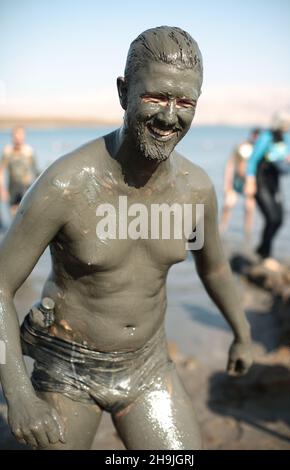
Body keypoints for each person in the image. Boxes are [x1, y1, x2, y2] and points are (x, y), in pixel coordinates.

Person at [0, 26, 252, 450]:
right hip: (67, 366)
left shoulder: (196, 189)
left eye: (185, 102)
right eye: (156, 97)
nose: (170, 116)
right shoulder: (66, 184)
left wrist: (241, 331)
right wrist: (19, 394)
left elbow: (216, 268)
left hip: (148, 365)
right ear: (123, 93)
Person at [245, 113, 290, 266]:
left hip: (275, 182)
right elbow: (252, 160)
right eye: (286, 125)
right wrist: (250, 181)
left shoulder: (285, 138)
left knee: (279, 220)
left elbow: (289, 153)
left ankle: (261, 249)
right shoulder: (266, 137)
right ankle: (266, 255)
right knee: (271, 218)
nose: (288, 128)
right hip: (261, 181)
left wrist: (289, 159)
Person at [220, 128, 260, 236]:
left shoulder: (260, 149)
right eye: (255, 135)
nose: (256, 138)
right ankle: (221, 231)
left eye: (258, 136)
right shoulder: (241, 146)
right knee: (228, 204)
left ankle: (247, 234)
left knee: (249, 208)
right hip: (236, 181)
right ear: (252, 135)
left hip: (250, 183)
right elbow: (230, 165)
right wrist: (226, 184)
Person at [0, 126, 39, 216]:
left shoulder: (29, 151)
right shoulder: (7, 151)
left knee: (25, 214)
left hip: (26, 187)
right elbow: (1, 171)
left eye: (20, 136)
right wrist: (2, 190)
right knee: (14, 215)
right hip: (12, 187)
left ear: (24, 137)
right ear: (12, 137)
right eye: (16, 136)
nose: (18, 139)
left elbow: (36, 171)